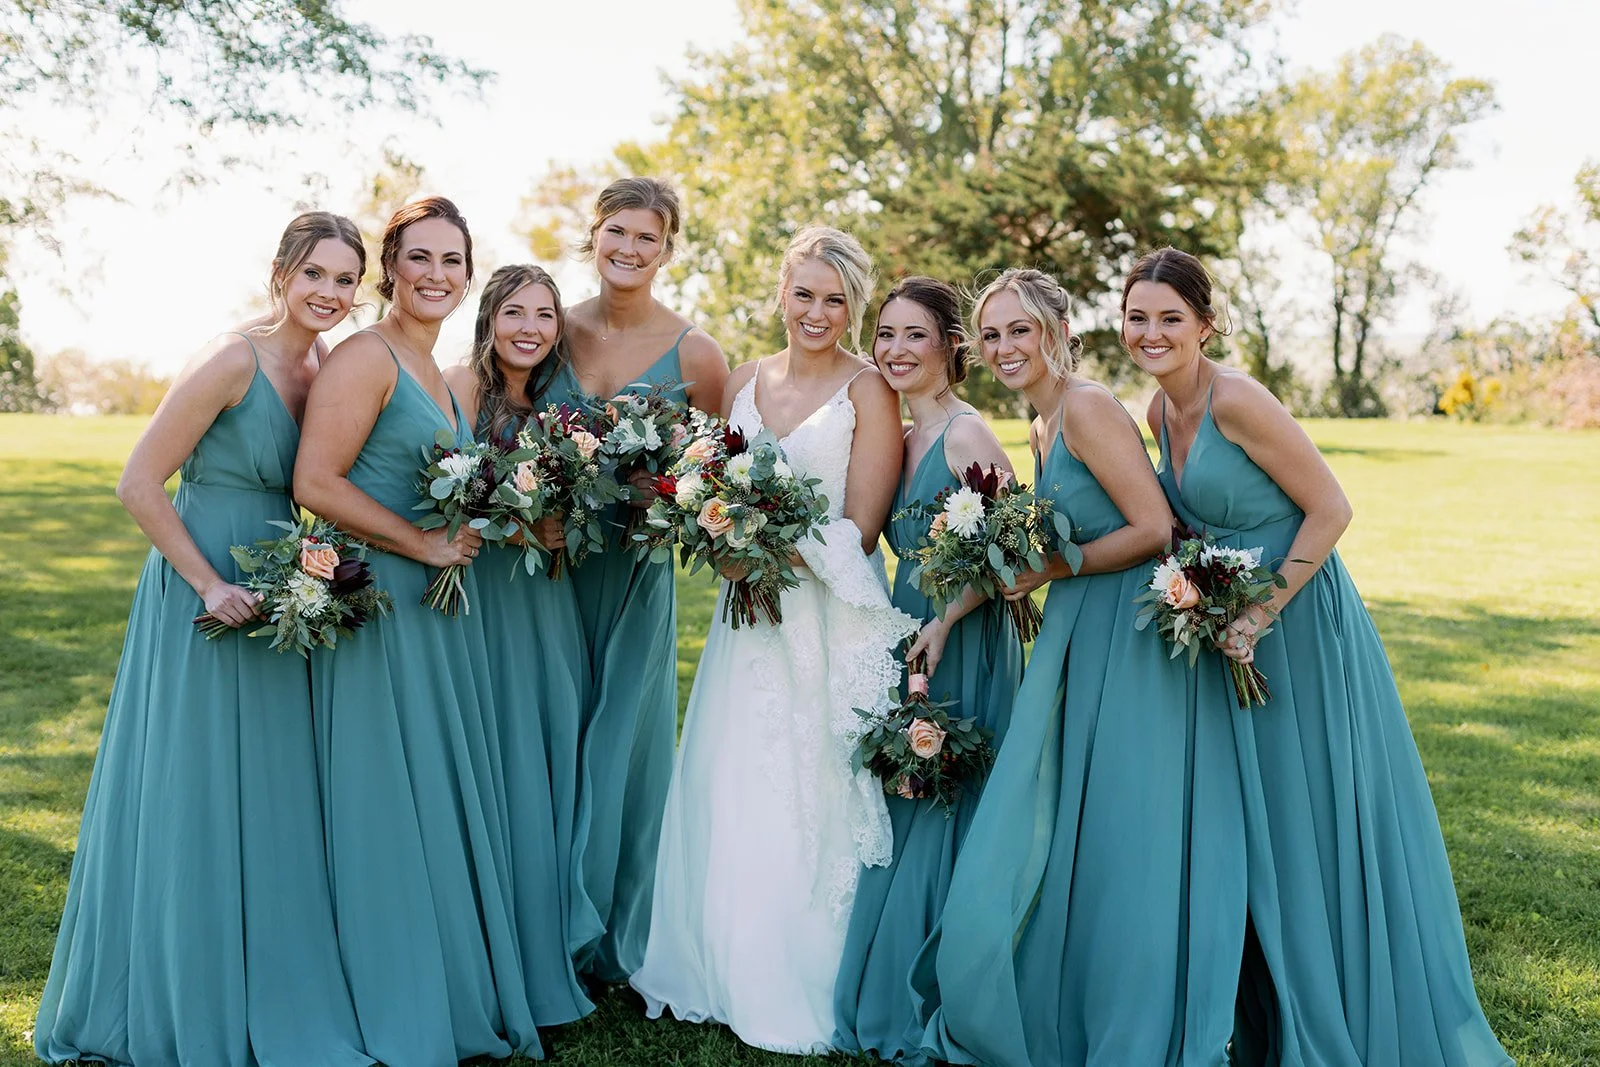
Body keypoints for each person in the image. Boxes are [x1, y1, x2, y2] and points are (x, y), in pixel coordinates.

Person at [1130, 246, 1511, 1066]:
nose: (1151, 333)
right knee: (1252, 817)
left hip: (1296, 624)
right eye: (1137, 317)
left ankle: (1337, 999)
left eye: (1170, 318)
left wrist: (1263, 611)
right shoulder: (1159, 415)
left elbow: (1332, 507)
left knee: (1309, 817)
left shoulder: (1238, 400)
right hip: (1230, 630)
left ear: (1205, 323)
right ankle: (1258, 1008)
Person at [35, 213, 371, 1066]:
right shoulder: (232, 358)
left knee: (268, 784)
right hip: (205, 586)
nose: (329, 293)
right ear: (281, 273)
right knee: (194, 784)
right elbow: (138, 482)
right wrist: (208, 582)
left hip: (279, 587)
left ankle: (262, 977)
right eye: (316, 275)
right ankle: (176, 988)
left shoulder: (324, 364)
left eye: (345, 280)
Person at [916, 268, 1247, 1066]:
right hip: (1077, 633)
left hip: (1125, 638)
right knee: (1073, 821)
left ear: (1057, 332)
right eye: (990, 334)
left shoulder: (1090, 407)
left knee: (1123, 829)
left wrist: (1048, 575)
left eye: (1019, 330)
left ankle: (1131, 1011)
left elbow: (1153, 529)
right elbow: (1039, 546)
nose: (1003, 348)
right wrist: (950, 612)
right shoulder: (1041, 424)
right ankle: (1062, 989)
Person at [630, 226, 917, 1053]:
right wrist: (724, 543)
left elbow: (859, 528)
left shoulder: (869, 391)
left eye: (836, 299)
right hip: (741, 614)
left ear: (854, 306)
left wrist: (760, 547)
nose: (817, 312)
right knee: (732, 771)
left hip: (818, 615)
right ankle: (717, 958)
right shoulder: (746, 378)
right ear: (781, 293)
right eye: (805, 294)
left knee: (808, 780)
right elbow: (708, 484)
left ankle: (802, 968)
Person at [294, 197, 540, 1065]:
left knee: (429, 788)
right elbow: (315, 480)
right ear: (389, 267)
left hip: (436, 608)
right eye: (420, 257)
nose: (437, 274)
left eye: (453, 261)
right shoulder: (367, 356)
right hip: (385, 606)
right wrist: (423, 541)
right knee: (383, 798)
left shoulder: (434, 368)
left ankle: (437, 977)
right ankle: (386, 989)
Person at [832, 276, 1022, 1065]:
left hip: (960, 633)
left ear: (953, 346)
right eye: (886, 334)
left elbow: (1014, 552)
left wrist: (947, 619)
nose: (896, 350)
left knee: (947, 800)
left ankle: (943, 986)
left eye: (915, 335)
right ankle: (894, 971)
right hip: (910, 629)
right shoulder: (902, 436)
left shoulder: (967, 435)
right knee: (908, 797)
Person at [543, 176, 728, 982]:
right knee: (545, 738)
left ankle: (607, 930)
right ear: (594, 234)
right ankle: (534, 918)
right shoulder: (549, 329)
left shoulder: (695, 352)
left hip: (633, 575)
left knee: (618, 747)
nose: (629, 248)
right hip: (543, 570)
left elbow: (712, 470)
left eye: (646, 237)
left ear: (666, 248)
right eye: (616, 230)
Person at [443, 263, 597, 1027]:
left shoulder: (564, 406)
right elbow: (432, 488)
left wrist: (566, 519)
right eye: (514, 312)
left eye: (544, 314)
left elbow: (586, 498)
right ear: (489, 318)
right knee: (489, 757)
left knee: (543, 756)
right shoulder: (456, 388)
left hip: (546, 599)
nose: (530, 328)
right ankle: (478, 943)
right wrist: (505, 516)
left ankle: (544, 944)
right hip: (481, 599)